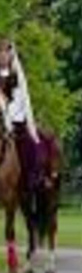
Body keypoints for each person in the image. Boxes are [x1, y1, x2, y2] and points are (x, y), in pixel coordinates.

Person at [0, 39, 43, 190]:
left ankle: (32, 178)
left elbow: (20, 99)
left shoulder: (16, 75)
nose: (3, 56)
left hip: (14, 120)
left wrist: (9, 118)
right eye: (0, 52)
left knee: (30, 146)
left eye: (6, 52)